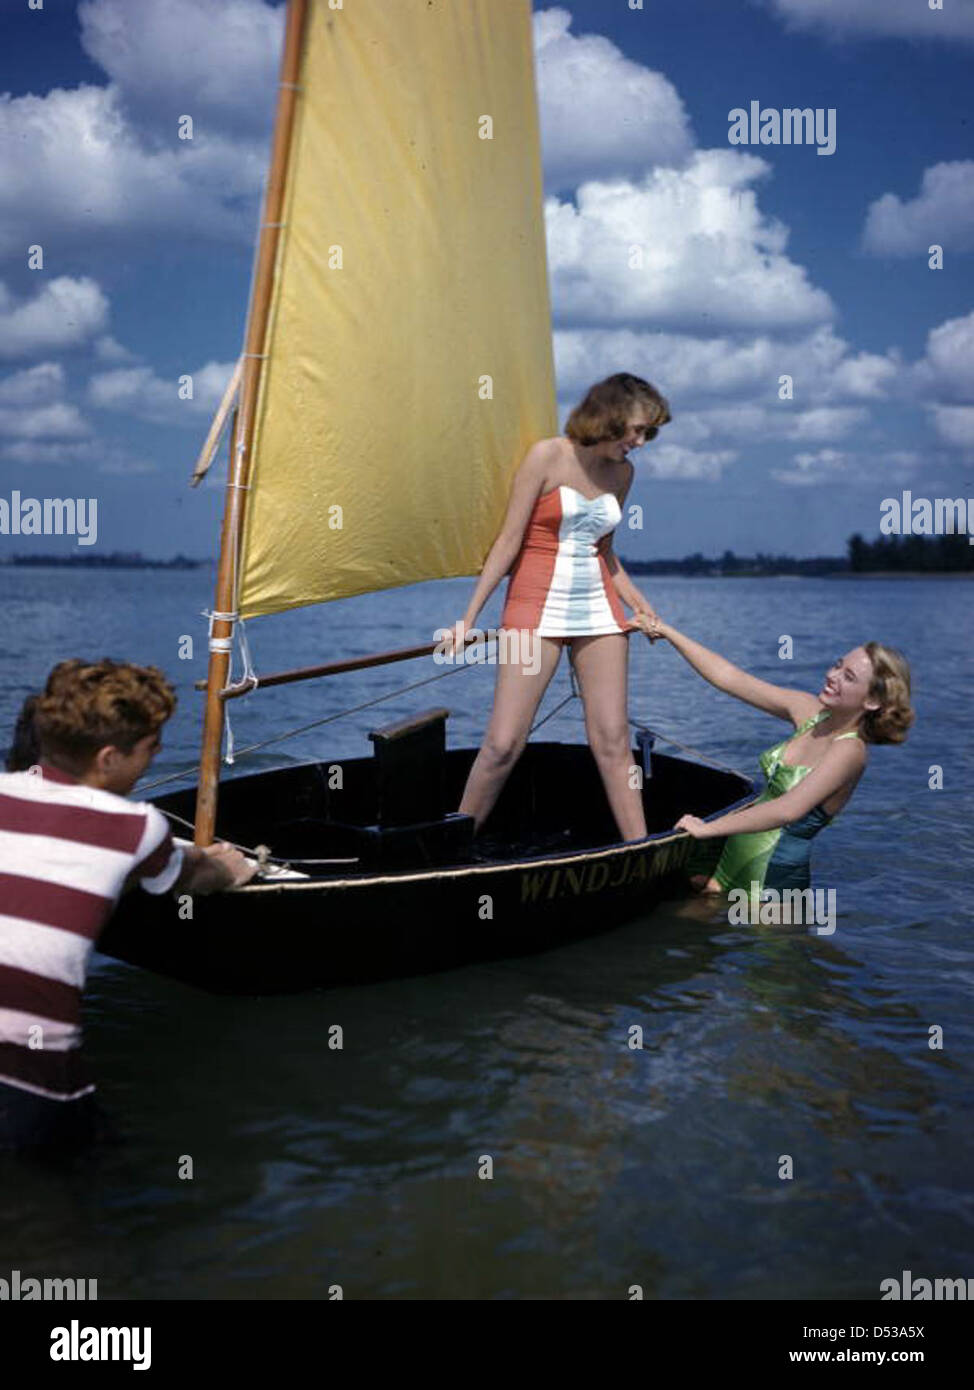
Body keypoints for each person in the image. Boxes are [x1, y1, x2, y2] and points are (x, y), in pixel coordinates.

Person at [0, 659, 255, 1157]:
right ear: (109, 759)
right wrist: (233, 866)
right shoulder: (138, 828)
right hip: (33, 1079)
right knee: (84, 1194)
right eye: (150, 749)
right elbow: (202, 874)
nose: (155, 758)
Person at [442, 373, 670, 843]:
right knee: (503, 744)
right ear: (608, 416)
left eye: (649, 433)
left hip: (600, 611)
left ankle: (640, 849)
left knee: (612, 743)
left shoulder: (624, 474)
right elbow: (508, 542)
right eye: (637, 430)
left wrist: (646, 610)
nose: (641, 442)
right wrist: (468, 620)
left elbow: (606, 554)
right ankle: (450, 851)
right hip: (532, 607)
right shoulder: (548, 455)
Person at [643, 619, 914, 894]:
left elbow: (788, 809)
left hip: (771, 879)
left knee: (764, 939)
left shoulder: (850, 751)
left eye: (849, 676)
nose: (833, 675)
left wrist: (707, 828)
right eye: (837, 665)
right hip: (731, 858)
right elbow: (731, 678)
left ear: (872, 701)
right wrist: (668, 632)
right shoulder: (809, 710)